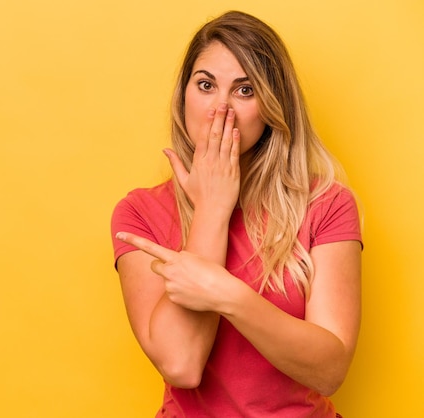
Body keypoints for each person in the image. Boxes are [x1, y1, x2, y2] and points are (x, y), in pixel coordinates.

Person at [110, 10, 362, 418]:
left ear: (272, 107)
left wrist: (223, 292)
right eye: (206, 85)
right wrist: (212, 208)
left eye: (245, 91)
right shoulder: (139, 213)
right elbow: (181, 365)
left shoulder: (327, 204)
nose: (220, 109)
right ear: (184, 96)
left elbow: (330, 369)